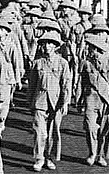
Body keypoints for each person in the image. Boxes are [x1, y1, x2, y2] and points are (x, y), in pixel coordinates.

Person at [27, 32, 71, 172]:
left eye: (50, 43)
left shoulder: (62, 63)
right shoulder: (37, 63)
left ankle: (49, 157)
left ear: (56, 46)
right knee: (39, 130)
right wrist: (30, 102)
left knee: (53, 132)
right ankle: (39, 158)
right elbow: (32, 85)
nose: (47, 46)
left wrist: (65, 103)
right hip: (40, 101)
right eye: (44, 43)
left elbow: (66, 84)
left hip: (56, 102)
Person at [80, 35, 109, 167]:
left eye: (90, 48)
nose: (88, 50)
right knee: (89, 126)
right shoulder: (86, 63)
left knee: (103, 130)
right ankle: (92, 153)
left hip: (106, 100)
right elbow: (80, 82)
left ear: (96, 49)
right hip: (90, 98)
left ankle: (99, 155)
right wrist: (78, 100)